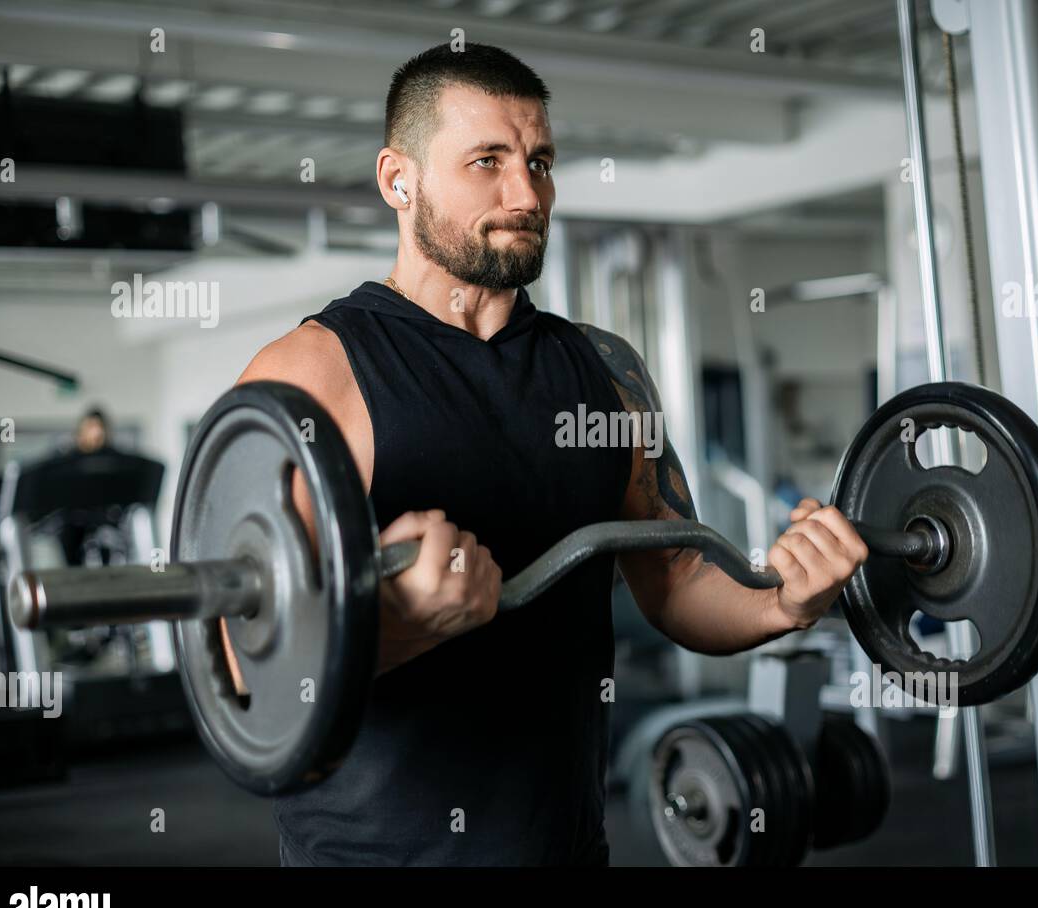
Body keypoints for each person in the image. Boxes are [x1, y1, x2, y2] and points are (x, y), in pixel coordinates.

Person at [235, 42, 868, 866]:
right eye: (487, 161)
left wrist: (785, 600)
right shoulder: (315, 375)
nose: (525, 193)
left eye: (539, 162)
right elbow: (247, 674)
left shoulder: (606, 370)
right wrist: (395, 629)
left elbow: (676, 583)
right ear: (400, 179)